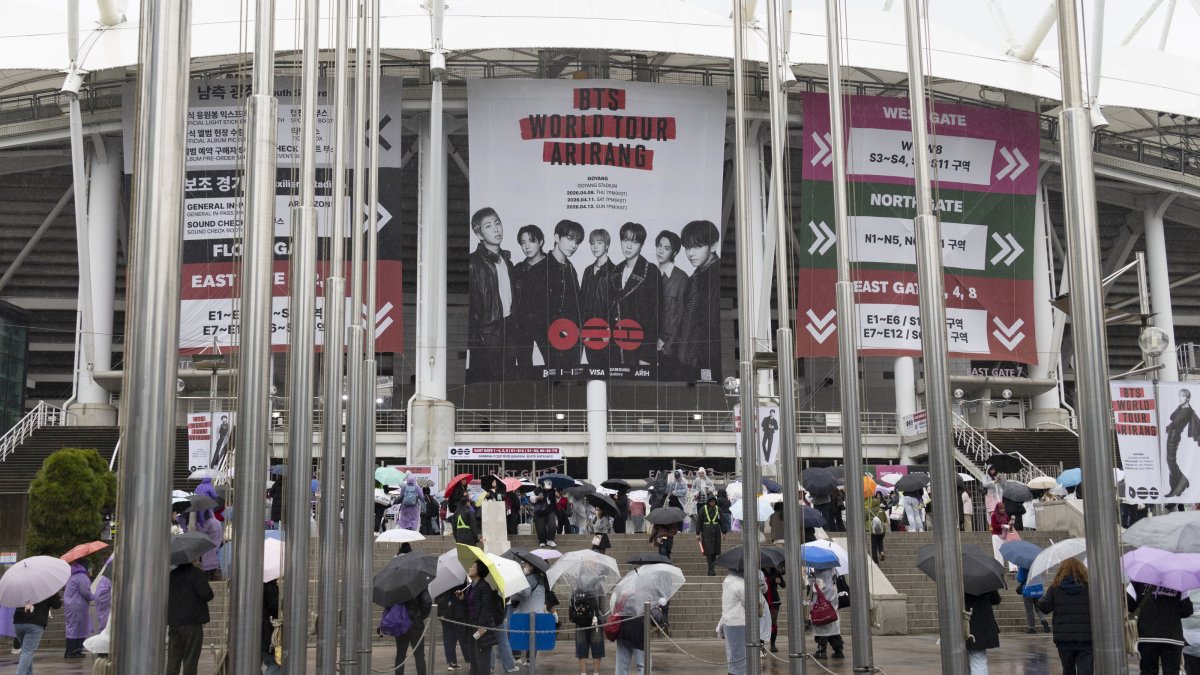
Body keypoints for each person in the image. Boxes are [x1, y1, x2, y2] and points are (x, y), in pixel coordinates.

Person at [467, 206, 515, 382]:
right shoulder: (473, 263)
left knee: (507, 383)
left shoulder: (507, 262)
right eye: (488, 226)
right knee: (487, 384)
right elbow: (471, 306)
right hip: (486, 334)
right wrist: (476, 338)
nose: (496, 229)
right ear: (479, 235)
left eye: (498, 223)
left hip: (508, 330)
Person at [674, 219, 723, 382]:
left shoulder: (717, 276)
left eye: (697, 246)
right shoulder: (694, 278)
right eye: (688, 247)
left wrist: (700, 359)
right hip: (687, 366)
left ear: (713, 246)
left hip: (708, 365)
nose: (691, 253)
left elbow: (713, 324)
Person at [609, 222, 660, 369]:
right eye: (625, 240)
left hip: (639, 348)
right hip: (616, 348)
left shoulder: (650, 271)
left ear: (642, 245)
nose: (629, 246)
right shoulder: (616, 271)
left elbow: (655, 317)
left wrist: (647, 355)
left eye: (635, 242)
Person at [544, 219, 585, 374]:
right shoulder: (542, 268)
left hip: (573, 341)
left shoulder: (570, 268)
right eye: (569, 238)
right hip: (552, 343)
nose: (573, 245)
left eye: (577, 241)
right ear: (556, 237)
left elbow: (575, 304)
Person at [1037, 558, 1092, 673]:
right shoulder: (1089, 587)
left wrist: (1041, 600)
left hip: (1064, 638)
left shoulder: (1055, 588)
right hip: (1086, 636)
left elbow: (1046, 609)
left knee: (1068, 669)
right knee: (1086, 670)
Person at [1130, 582, 1195, 675]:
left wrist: (1145, 612)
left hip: (1147, 635)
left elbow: (1128, 602)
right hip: (1172, 636)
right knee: (1172, 672)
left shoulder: (1138, 580)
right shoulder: (1178, 583)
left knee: (1148, 672)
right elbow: (1188, 610)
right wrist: (1172, 613)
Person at [167, 557, 215, 675]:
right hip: (192, 624)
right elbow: (207, 595)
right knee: (190, 662)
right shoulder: (196, 574)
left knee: (173, 662)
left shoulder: (171, 575)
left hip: (174, 623)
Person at [511, 224, 549, 368]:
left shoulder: (552, 266)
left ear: (541, 242)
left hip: (546, 324)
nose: (527, 246)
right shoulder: (518, 269)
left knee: (553, 364)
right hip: (522, 325)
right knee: (523, 365)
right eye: (523, 242)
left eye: (531, 241)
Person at [579, 228, 615, 370]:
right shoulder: (588, 270)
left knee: (606, 369)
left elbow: (616, 306)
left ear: (607, 245)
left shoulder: (615, 271)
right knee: (592, 367)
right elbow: (582, 302)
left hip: (607, 333)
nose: (595, 247)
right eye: (592, 243)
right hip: (588, 330)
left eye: (599, 243)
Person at [461, 561, 503, 675]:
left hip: (480, 626)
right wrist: (462, 598)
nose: (470, 568)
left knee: (482, 658)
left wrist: (481, 626)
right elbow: (471, 603)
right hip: (471, 625)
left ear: (479, 571)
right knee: (474, 657)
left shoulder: (484, 586)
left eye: (474, 566)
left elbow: (486, 608)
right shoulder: (471, 586)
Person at [655, 230, 688, 365]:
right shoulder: (651, 274)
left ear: (674, 253)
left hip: (668, 350)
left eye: (666, 248)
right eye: (659, 246)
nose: (660, 251)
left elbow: (683, 317)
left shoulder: (681, 278)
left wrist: (666, 345)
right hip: (649, 349)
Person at [13, 593, 62, 675]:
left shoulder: (22, 585)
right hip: (35, 622)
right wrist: (55, 593)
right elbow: (56, 605)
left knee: (25, 652)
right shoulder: (45, 587)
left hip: (18, 622)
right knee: (27, 652)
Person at [1165, 388, 1200, 498]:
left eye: (1183, 396)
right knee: (1170, 461)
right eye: (1179, 396)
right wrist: (1180, 407)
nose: (1180, 398)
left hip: (1174, 437)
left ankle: (1176, 487)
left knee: (1171, 461)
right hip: (1172, 435)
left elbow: (1173, 423)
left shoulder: (1187, 411)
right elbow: (1172, 416)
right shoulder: (1182, 408)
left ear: (1188, 398)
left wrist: (1168, 428)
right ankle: (1182, 481)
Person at [390, 588, 433, 675]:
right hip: (415, 622)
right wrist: (420, 615)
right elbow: (427, 602)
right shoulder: (419, 584)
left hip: (400, 621)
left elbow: (390, 603)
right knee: (419, 655)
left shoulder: (396, 585)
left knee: (400, 654)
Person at [570, 577, 607, 675]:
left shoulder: (576, 583)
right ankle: (595, 673)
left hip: (581, 620)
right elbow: (603, 603)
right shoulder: (599, 583)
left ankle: (583, 673)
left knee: (581, 646)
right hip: (596, 620)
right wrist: (606, 618)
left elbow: (572, 603)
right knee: (597, 646)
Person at [718, 567, 751, 674]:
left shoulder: (727, 580)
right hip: (739, 622)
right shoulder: (740, 584)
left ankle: (733, 671)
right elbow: (749, 603)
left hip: (728, 621)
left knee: (732, 652)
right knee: (740, 654)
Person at [60, 560, 92, 658]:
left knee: (73, 628)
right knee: (77, 628)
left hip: (71, 605)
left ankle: (72, 651)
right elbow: (86, 592)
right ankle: (73, 651)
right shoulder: (82, 577)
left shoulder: (72, 576)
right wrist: (95, 596)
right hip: (78, 606)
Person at [810, 567, 845, 659]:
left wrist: (813, 580)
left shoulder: (820, 572)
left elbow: (817, 588)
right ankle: (838, 650)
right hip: (832, 604)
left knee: (822, 628)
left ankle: (821, 649)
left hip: (822, 605)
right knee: (833, 629)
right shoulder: (833, 570)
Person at [964, 590, 1002, 674]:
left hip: (961, 622)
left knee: (960, 660)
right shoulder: (984, 580)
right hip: (980, 624)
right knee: (978, 659)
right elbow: (996, 599)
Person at [438, 584, 470, 672]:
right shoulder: (458, 579)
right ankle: (470, 661)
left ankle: (452, 663)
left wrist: (439, 613)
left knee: (448, 639)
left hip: (445, 614)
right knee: (464, 638)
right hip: (458, 613)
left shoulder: (439, 581)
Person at [1016, 564, 1050, 635]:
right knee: (1039, 608)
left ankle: (1031, 628)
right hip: (1039, 589)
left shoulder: (1024, 565)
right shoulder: (1040, 564)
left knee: (1029, 610)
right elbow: (1044, 576)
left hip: (1028, 590)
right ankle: (1044, 621)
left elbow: (1020, 578)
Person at [697, 493, 723, 575]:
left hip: (716, 531)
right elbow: (699, 521)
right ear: (708, 502)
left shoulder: (718, 509)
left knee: (714, 551)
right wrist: (697, 533)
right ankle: (711, 569)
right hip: (706, 530)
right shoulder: (703, 509)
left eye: (714, 501)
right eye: (711, 501)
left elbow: (722, 521)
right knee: (708, 550)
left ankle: (711, 569)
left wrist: (724, 532)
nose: (712, 503)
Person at [763, 564, 785, 653]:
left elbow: (784, 585)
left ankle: (772, 644)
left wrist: (779, 581)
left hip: (774, 601)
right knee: (763, 623)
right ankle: (761, 644)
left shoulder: (776, 572)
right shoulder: (760, 572)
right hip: (763, 601)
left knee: (773, 622)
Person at [196, 508, 223, 580]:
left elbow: (202, 531)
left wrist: (197, 524)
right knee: (214, 563)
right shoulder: (218, 522)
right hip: (217, 544)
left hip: (209, 546)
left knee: (207, 564)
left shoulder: (209, 522)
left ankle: (208, 579)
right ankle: (212, 577)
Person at [262, 579, 281, 675]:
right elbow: (275, 606)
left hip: (259, 630)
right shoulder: (269, 586)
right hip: (267, 629)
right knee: (274, 662)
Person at [532, 482, 558, 548]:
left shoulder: (553, 490)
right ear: (543, 484)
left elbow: (556, 501)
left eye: (549, 486)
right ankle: (542, 541)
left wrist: (558, 496)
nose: (547, 488)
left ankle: (551, 540)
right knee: (540, 527)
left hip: (550, 510)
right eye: (546, 486)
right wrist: (537, 497)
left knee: (552, 525)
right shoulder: (538, 489)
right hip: (540, 511)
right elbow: (531, 498)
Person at [867, 496, 888, 563]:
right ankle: (881, 552)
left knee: (874, 546)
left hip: (873, 530)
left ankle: (875, 561)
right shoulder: (882, 510)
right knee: (880, 541)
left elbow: (865, 519)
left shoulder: (869, 510)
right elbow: (885, 520)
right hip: (882, 530)